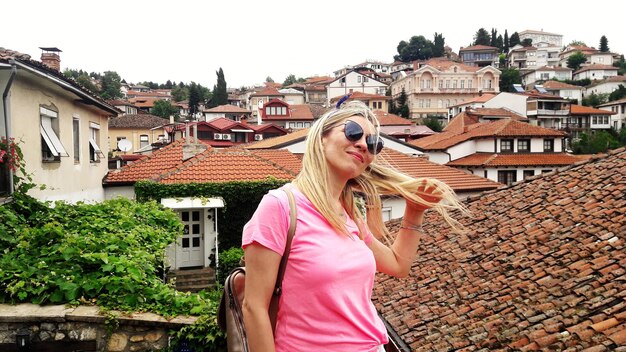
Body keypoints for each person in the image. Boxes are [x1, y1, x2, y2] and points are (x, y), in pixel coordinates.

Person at [241, 100, 467, 352]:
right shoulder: (280, 206)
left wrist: (414, 212)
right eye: (352, 132)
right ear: (321, 138)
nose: (362, 144)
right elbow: (254, 307)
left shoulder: (350, 214)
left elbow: (397, 265)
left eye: (373, 144)